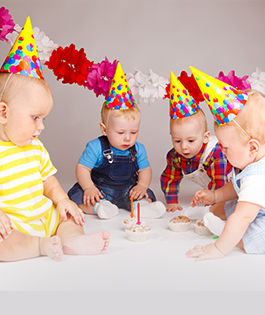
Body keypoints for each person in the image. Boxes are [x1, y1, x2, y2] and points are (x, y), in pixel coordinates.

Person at [0, 17, 109, 262]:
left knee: (68, 217)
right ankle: (39, 246)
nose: (41, 127)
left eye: (43, 119)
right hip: (11, 224)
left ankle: (72, 240)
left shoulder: (35, 147)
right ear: (3, 112)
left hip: (42, 215)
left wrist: (62, 200)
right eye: (35, 117)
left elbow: (48, 181)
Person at [68, 62, 166, 219]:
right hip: (99, 189)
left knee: (145, 194)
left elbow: (145, 170)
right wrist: (89, 187)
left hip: (128, 190)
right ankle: (99, 207)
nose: (128, 138)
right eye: (120, 132)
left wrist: (141, 185)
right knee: (78, 195)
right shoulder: (96, 147)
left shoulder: (138, 149)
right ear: (104, 129)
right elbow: (82, 168)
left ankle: (140, 206)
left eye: (133, 132)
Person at [186, 67, 265, 260]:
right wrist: (215, 195)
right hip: (256, 207)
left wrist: (218, 248)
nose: (221, 150)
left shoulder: (257, 177)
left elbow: (244, 216)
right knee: (228, 203)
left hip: (258, 217)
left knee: (252, 231)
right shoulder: (249, 161)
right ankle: (222, 222)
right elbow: (236, 187)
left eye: (226, 147)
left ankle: (229, 234)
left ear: (253, 147)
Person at [160, 72, 232, 215]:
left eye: (191, 140)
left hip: (230, 183)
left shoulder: (215, 154)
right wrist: (172, 201)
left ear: (205, 137)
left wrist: (211, 202)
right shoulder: (175, 156)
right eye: (177, 141)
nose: (184, 146)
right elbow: (170, 177)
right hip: (213, 188)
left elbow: (219, 182)